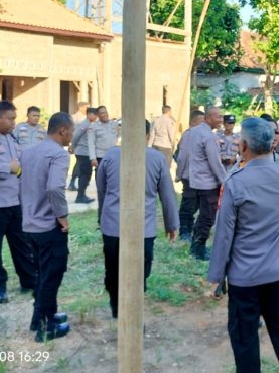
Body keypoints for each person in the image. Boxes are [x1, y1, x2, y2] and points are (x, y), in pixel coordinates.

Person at [208, 117, 279, 373]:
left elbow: (224, 235)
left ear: (243, 146)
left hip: (245, 279)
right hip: (278, 275)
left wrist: (217, 277)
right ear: (272, 144)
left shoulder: (236, 182)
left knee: (245, 340)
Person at [97, 120, 179, 318]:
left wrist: (102, 217)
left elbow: (102, 191)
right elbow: (167, 194)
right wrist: (172, 224)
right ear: (148, 135)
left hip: (114, 227)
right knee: (139, 272)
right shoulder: (157, 158)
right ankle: (133, 311)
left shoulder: (111, 155)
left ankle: (117, 308)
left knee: (113, 270)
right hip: (143, 229)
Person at [20, 112, 74, 342]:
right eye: (71, 131)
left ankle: (42, 317)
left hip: (29, 224)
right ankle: (45, 328)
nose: (72, 136)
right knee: (52, 275)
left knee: (42, 274)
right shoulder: (58, 154)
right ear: (63, 131)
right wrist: (62, 216)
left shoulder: (29, 151)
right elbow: (54, 188)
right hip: (48, 225)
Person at [0, 101, 36, 305]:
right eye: (10, 119)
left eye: (14, 119)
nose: (13, 123)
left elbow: (19, 164)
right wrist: (6, 168)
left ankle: (29, 281)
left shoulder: (11, 137)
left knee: (21, 243)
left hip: (14, 201)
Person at [188, 106, 227, 260]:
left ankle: (195, 247)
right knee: (207, 218)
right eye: (218, 117)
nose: (221, 120)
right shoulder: (209, 137)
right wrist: (225, 181)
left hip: (196, 180)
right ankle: (199, 250)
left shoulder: (193, 132)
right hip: (208, 183)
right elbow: (215, 163)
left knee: (202, 216)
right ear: (208, 118)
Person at [175, 110, 205, 242]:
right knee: (188, 204)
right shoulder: (189, 135)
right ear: (193, 122)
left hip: (199, 176)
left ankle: (189, 227)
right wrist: (179, 174)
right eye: (201, 122)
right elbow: (181, 157)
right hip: (189, 176)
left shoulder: (202, 135)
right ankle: (184, 230)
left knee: (195, 204)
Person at [70, 107, 97, 204]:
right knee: (84, 175)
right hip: (83, 152)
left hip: (86, 153)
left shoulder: (90, 124)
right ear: (89, 114)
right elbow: (75, 136)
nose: (96, 117)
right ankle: (80, 196)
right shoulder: (84, 124)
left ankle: (82, 195)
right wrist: (72, 146)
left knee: (86, 174)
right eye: (94, 115)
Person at [88, 106, 119, 173]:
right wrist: (93, 158)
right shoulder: (94, 126)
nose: (105, 115)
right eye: (102, 113)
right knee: (100, 176)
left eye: (105, 112)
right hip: (100, 156)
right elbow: (91, 143)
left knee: (112, 175)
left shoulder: (114, 124)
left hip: (113, 155)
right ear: (98, 115)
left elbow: (119, 137)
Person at [68, 102, 91, 191]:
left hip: (87, 146)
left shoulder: (88, 118)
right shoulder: (73, 118)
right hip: (78, 145)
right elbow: (72, 132)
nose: (88, 109)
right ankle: (73, 182)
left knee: (82, 165)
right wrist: (71, 145)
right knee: (79, 163)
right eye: (86, 107)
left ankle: (79, 183)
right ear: (80, 107)